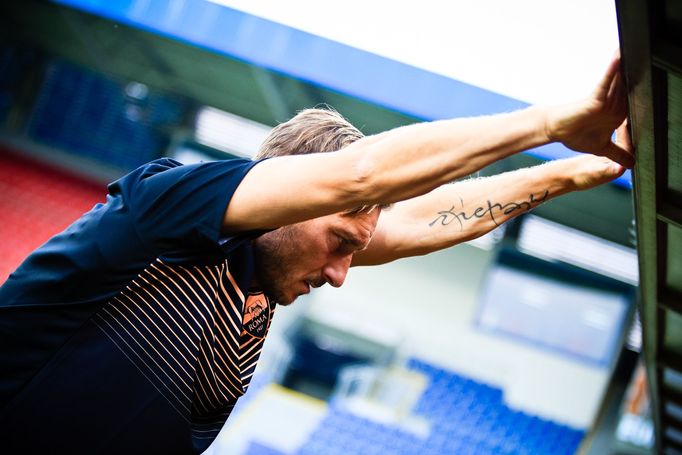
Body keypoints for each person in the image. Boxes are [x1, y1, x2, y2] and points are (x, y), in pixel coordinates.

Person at [0, 54, 633, 454]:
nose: (338, 276)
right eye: (337, 243)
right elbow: (357, 178)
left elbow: (421, 221)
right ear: (290, 194)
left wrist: (581, 173)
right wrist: (550, 124)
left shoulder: (271, 267)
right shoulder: (159, 211)